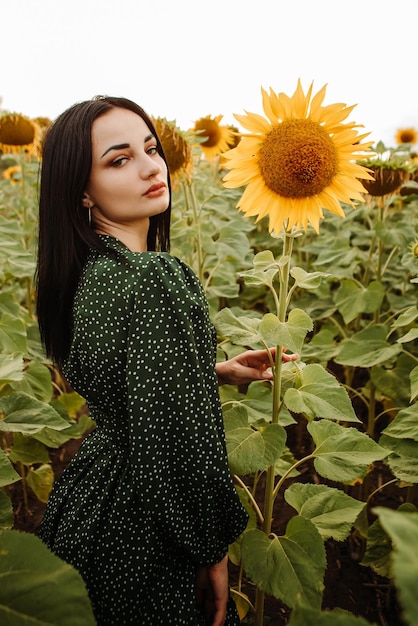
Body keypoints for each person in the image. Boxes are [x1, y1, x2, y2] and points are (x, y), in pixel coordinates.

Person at [36, 96, 297, 626]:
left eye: (150, 149)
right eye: (119, 159)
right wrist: (210, 547)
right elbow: (175, 440)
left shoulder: (88, 274)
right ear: (82, 190)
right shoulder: (152, 276)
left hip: (89, 506)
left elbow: (123, 384)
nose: (152, 167)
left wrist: (210, 372)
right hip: (145, 525)